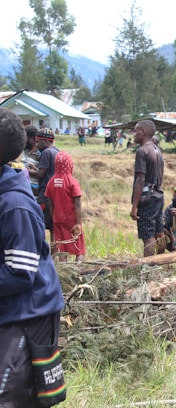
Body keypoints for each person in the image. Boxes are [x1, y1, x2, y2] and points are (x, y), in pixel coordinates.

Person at [0, 108, 65, 405]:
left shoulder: (15, 206)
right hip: (11, 308)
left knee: (12, 395)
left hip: (30, 313)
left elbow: (20, 273)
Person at [130, 119, 165, 257]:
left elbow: (140, 179)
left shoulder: (142, 151)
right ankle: (163, 262)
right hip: (158, 195)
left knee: (148, 236)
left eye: (136, 131)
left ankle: (149, 269)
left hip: (147, 198)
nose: (134, 134)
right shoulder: (157, 150)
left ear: (143, 132)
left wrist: (134, 206)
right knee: (159, 232)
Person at [44, 151, 86, 262]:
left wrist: (54, 217)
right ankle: (78, 269)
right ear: (69, 165)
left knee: (61, 246)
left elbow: (50, 203)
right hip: (71, 220)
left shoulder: (51, 182)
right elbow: (77, 203)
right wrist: (78, 223)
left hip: (58, 220)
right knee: (79, 247)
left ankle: (64, 268)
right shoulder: (72, 181)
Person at [28, 128, 60, 247]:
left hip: (45, 195)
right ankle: (54, 255)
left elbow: (41, 175)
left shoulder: (46, 153)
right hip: (55, 195)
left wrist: (26, 170)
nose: (36, 145)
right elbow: (48, 172)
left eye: (38, 142)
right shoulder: (57, 151)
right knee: (53, 227)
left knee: (37, 224)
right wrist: (35, 169)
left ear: (45, 141)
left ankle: (41, 253)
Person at [22, 125, 41, 197]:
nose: (23, 140)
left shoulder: (40, 154)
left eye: (25, 137)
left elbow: (41, 174)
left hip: (35, 195)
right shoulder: (24, 152)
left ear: (32, 139)